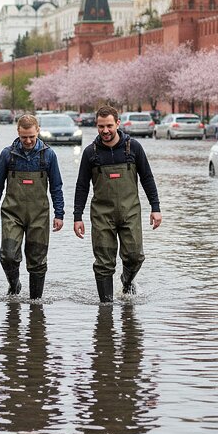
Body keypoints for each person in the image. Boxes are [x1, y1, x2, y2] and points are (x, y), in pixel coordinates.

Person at [73, 105, 162, 303]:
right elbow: (81, 187)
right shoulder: (90, 153)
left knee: (135, 255)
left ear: (118, 124)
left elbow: (147, 178)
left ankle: (127, 280)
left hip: (130, 212)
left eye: (109, 126)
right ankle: (106, 308)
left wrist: (155, 208)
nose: (105, 131)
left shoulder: (134, 148)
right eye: (101, 126)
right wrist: (77, 217)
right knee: (104, 262)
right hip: (102, 215)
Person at [0, 113, 64, 299]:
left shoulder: (49, 155)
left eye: (31, 136)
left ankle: (36, 302)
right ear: (18, 133)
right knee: (8, 256)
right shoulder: (8, 155)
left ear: (38, 131)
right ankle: (14, 286)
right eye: (24, 137)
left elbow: (56, 187)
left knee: (37, 261)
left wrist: (59, 214)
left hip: (39, 215)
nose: (28, 141)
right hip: (12, 214)